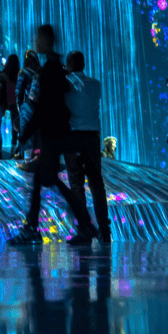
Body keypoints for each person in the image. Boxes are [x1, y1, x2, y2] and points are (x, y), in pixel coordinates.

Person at [6, 24, 97, 247]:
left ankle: (37, 229)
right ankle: (83, 225)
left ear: (47, 40)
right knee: (45, 180)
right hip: (56, 132)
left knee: (46, 180)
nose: (35, 42)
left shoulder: (50, 68)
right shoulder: (54, 66)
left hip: (52, 134)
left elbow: (43, 107)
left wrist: (25, 132)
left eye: (38, 38)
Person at [62, 51, 110, 243]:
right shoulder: (95, 84)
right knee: (97, 184)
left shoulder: (65, 84)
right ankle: (104, 231)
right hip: (92, 137)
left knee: (76, 184)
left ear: (69, 65)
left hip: (73, 136)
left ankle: (84, 230)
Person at [16, 49, 41, 161]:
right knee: (38, 134)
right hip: (41, 107)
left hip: (28, 106)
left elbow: (19, 92)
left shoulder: (24, 72)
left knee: (27, 134)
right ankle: (37, 157)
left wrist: (20, 106)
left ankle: (27, 159)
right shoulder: (41, 71)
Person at [2, 54, 22, 158]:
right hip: (15, 100)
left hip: (6, 100)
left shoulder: (4, 72)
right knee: (16, 123)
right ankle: (15, 146)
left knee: (2, 122)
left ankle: (0, 146)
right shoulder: (18, 73)